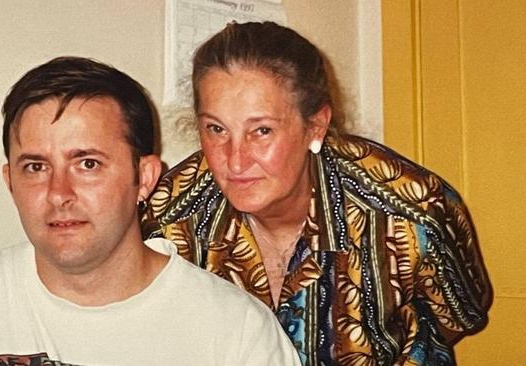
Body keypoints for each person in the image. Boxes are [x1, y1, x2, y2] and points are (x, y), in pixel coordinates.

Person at [0, 56, 301, 365]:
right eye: (36, 167)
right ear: (10, 183)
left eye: (88, 164)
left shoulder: (233, 333)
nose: (59, 192)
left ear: (146, 178)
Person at [142, 22, 492, 365]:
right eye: (216, 129)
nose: (235, 160)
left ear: (316, 126)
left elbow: (457, 318)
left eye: (261, 130)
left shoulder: (409, 211)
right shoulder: (169, 218)